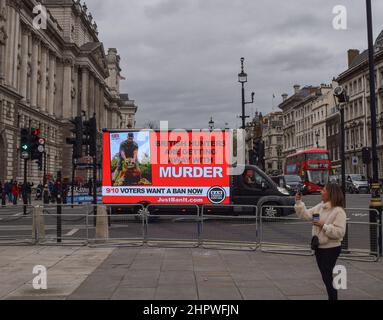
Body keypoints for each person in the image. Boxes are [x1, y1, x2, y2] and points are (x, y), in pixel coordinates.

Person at [295, 183, 347, 300]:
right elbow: (305, 215)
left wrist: (324, 226)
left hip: (331, 248)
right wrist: (299, 203)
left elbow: (340, 232)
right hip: (319, 247)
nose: (321, 192)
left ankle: (333, 297)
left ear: (330, 193)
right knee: (325, 276)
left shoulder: (338, 211)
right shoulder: (320, 206)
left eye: (323, 190)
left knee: (327, 276)